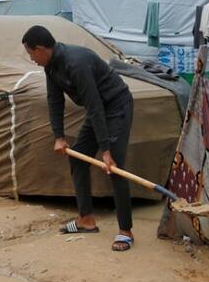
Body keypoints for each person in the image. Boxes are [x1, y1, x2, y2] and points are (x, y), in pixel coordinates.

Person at [22, 25, 136, 252]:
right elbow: (54, 101)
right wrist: (59, 137)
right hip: (99, 111)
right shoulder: (51, 67)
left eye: (30, 53)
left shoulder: (76, 63)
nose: (31, 59)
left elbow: (94, 106)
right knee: (78, 158)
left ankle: (125, 231)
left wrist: (105, 149)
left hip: (116, 106)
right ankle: (86, 219)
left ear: (40, 49)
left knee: (114, 166)